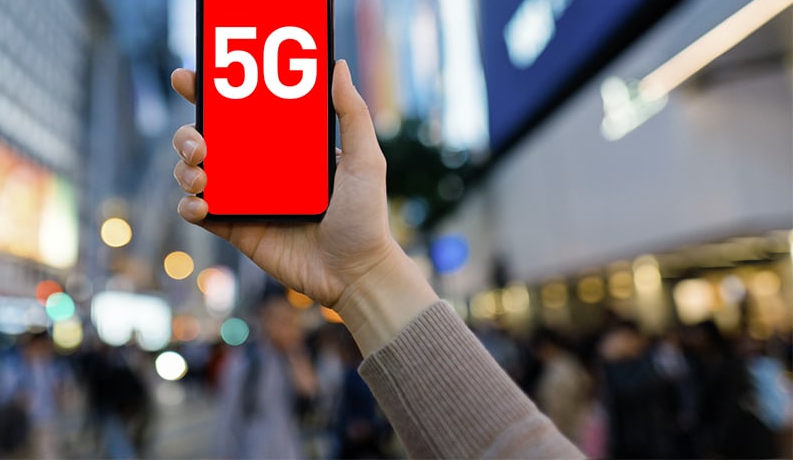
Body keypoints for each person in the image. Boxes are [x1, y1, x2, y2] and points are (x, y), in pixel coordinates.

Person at [171, 60, 582, 459]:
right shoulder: (251, 366)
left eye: (287, 317)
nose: (287, 325)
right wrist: (366, 275)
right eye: (279, 318)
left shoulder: (298, 356)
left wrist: (365, 272)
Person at [214, 285, 319, 459]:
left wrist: (295, 353)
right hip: (254, 449)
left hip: (289, 449)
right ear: (264, 319)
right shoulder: (248, 359)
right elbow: (230, 415)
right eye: (280, 320)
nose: (286, 328)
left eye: (290, 320)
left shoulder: (294, 356)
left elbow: (311, 393)